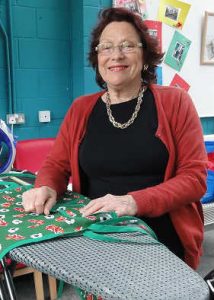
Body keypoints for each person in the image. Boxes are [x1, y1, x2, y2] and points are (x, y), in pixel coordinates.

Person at [22, 7, 207, 270]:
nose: (116, 55)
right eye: (106, 47)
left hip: (160, 239)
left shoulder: (175, 102)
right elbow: (56, 166)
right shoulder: (80, 109)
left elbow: (195, 179)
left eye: (127, 46)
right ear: (97, 58)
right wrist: (46, 187)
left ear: (145, 55)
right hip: (97, 235)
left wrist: (133, 201)